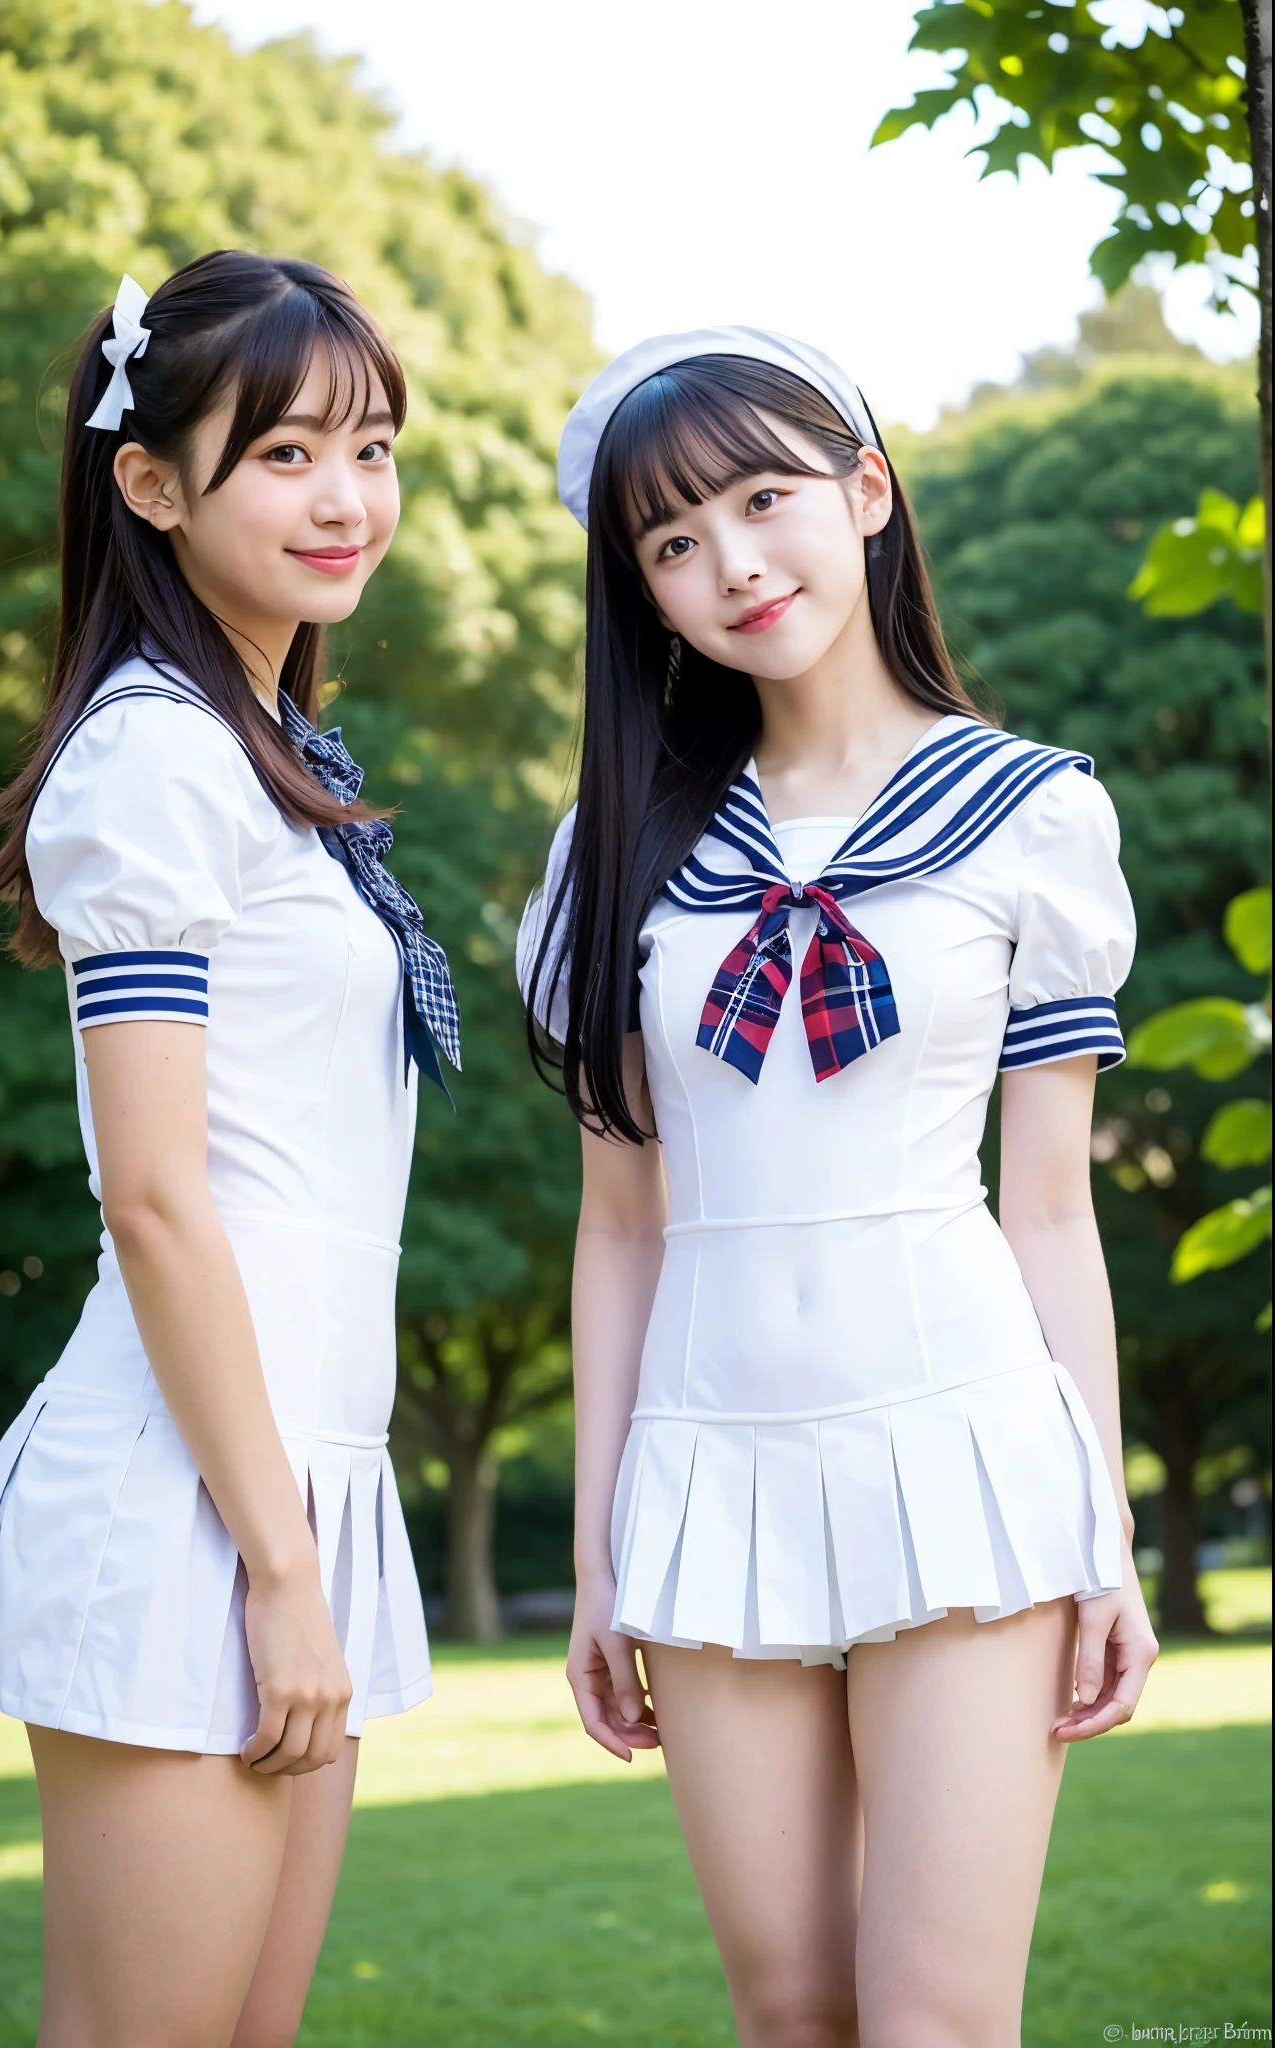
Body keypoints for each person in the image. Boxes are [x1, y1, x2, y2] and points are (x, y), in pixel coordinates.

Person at [518, 329, 1159, 2047]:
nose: (730, 560)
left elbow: (1048, 1211)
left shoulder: (1029, 817)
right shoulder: (623, 850)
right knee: (790, 2006)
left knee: (936, 2017)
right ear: (639, 591)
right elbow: (620, 1228)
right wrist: (596, 1564)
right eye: (668, 539)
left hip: (960, 1448)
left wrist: (1100, 1527)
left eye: (763, 497)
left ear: (866, 493)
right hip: (710, 1465)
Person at [0, 251, 458, 2048]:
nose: (347, 498)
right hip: (193, 1506)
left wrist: (307, 1544)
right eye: (287, 452)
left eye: (370, 447)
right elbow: (154, 1198)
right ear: (150, 483)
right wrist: (278, 1570)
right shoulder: (151, 759)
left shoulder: (267, 753)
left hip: (298, 1477)